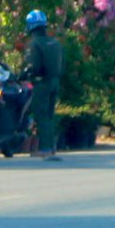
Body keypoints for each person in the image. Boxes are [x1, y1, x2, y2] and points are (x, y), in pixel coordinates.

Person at [21, 9, 67, 160]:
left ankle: (45, 148)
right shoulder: (55, 43)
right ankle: (51, 147)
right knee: (49, 115)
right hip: (55, 82)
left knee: (41, 116)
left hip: (41, 83)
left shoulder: (33, 44)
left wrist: (22, 75)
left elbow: (33, 67)